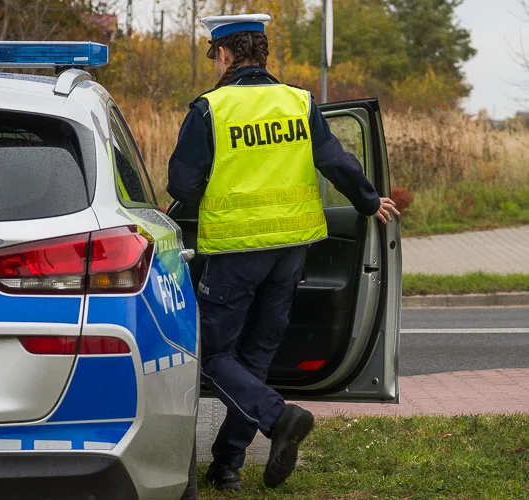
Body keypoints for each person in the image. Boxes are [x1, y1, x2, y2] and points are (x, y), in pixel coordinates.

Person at [167, 13, 400, 491]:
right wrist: (369, 200)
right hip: (294, 249)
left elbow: (182, 186)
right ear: (263, 54)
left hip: (236, 250)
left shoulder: (211, 109)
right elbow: (335, 160)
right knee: (255, 356)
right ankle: (228, 466)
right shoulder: (300, 102)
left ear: (227, 55)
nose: (217, 65)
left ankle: (280, 417)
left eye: (217, 56)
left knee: (210, 352)